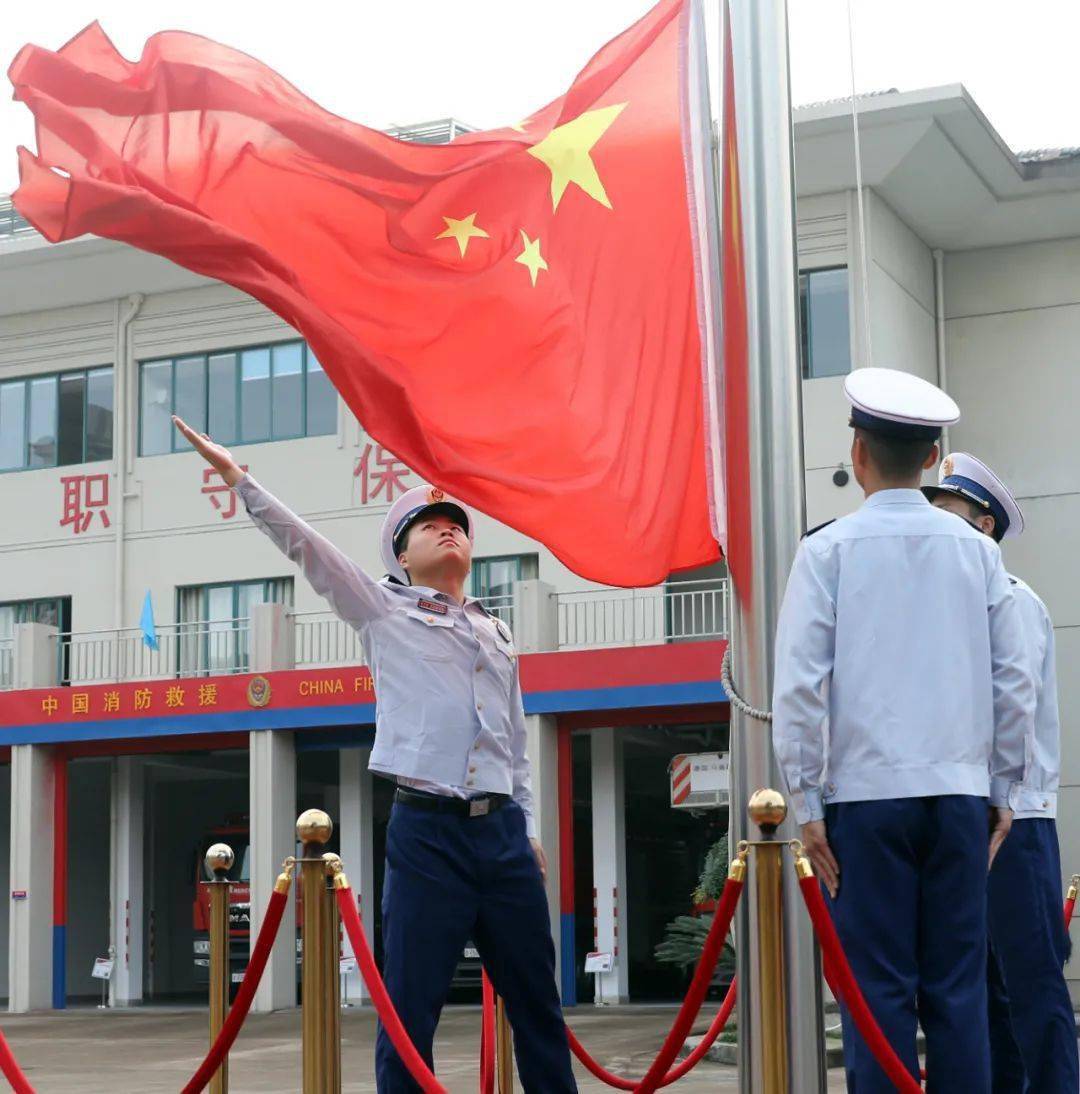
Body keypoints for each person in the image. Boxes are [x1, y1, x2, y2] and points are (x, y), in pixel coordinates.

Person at [172, 415, 577, 1093]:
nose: (448, 528)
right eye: (428, 525)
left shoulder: (496, 630)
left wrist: (529, 829)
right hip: (428, 835)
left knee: (538, 1004)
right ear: (401, 556)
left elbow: (515, 741)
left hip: (503, 835)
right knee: (409, 1007)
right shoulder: (384, 612)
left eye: (456, 523)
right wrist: (240, 479)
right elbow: (310, 550)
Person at [771, 369, 1036, 1092]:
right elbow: (1013, 683)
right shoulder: (978, 552)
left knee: (876, 994)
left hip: (864, 799)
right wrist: (1002, 789)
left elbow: (798, 690)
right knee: (958, 992)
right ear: (930, 459)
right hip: (959, 796)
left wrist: (807, 805)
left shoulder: (827, 550)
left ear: (857, 453)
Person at [924, 452, 1078, 1093]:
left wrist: (995, 797)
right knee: (980, 992)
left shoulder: (1011, 602)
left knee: (1031, 984)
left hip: (1014, 820)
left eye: (949, 515)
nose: (935, 527)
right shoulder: (942, 611)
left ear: (984, 525)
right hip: (964, 815)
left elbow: (1009, 709)